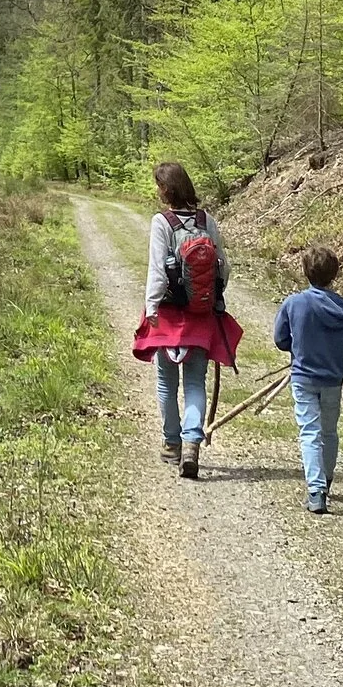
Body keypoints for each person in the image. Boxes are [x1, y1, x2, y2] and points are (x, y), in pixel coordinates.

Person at [138, 162, 242, 480]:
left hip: (169, 315)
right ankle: (192, 442)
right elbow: (222, 266)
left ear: (167, 190)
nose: (158, 191)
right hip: (200, 314)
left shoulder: (162, 223)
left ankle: (172, 443)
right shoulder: (206, 220)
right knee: (195, 382)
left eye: (159, 186)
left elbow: (157, 270)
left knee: (166, 383)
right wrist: (214, 296)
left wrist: (151, 307)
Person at [271, 244, 343, 514]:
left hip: (303, 377)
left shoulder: (294, 303)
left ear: (306, 272)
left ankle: (316, 490)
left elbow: (280, 338)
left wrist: (297, 348)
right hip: (333, 378)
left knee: (310, 431)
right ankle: (327, 480)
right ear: (335, 274)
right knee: (329, 431)